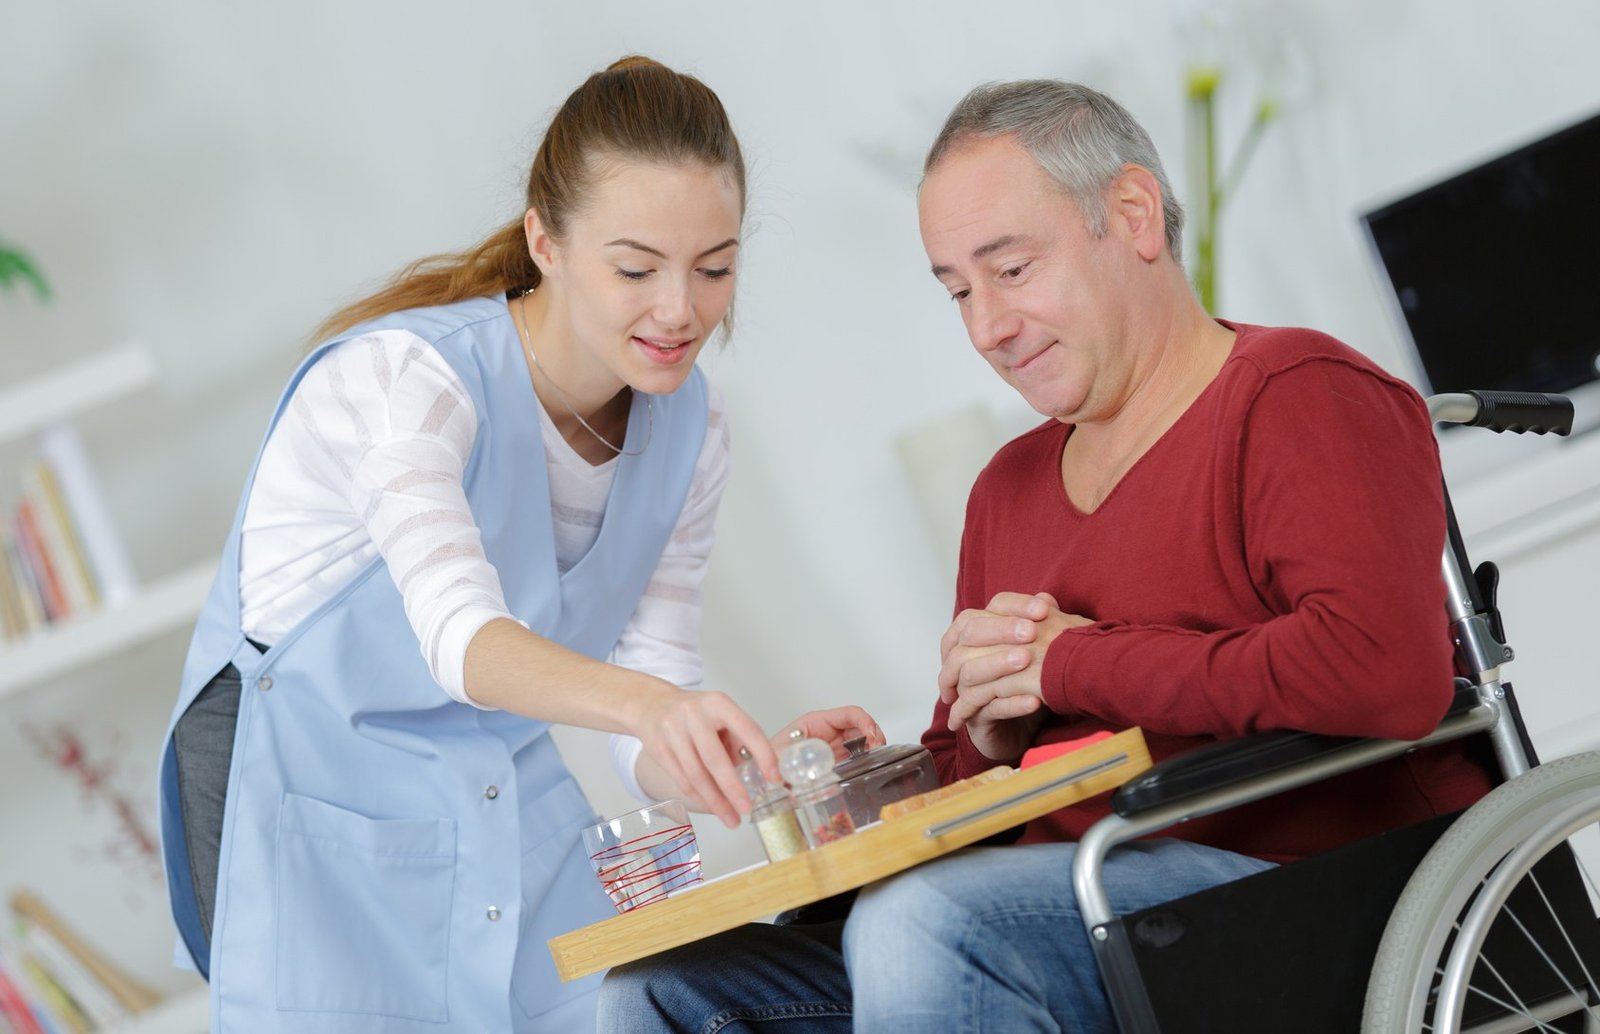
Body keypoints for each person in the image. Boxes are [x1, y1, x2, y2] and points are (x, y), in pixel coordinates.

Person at [597, 79, 1495, 1032]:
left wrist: (1074, 660)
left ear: (1133, 215)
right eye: (958, 292)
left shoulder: (1297, 396)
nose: (986, 327)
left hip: (1324, 897)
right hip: (1069, 911)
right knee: (659, 991)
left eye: (1012, 270)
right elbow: (985, 773)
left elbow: (1379, 674)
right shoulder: (1008, 489)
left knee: (922, 923)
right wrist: (898, 773)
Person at [155, 56, 880, 1034]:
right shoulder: (401, 383)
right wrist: (657, 706)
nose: (680, 310)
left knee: (634, 1006)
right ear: (545, 239)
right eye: (636, 268)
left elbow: (647, 704)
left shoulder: (689, 431)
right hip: (308, 797)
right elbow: (465, 641)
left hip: (495, 783)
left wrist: (744, 762)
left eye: (715, 267)